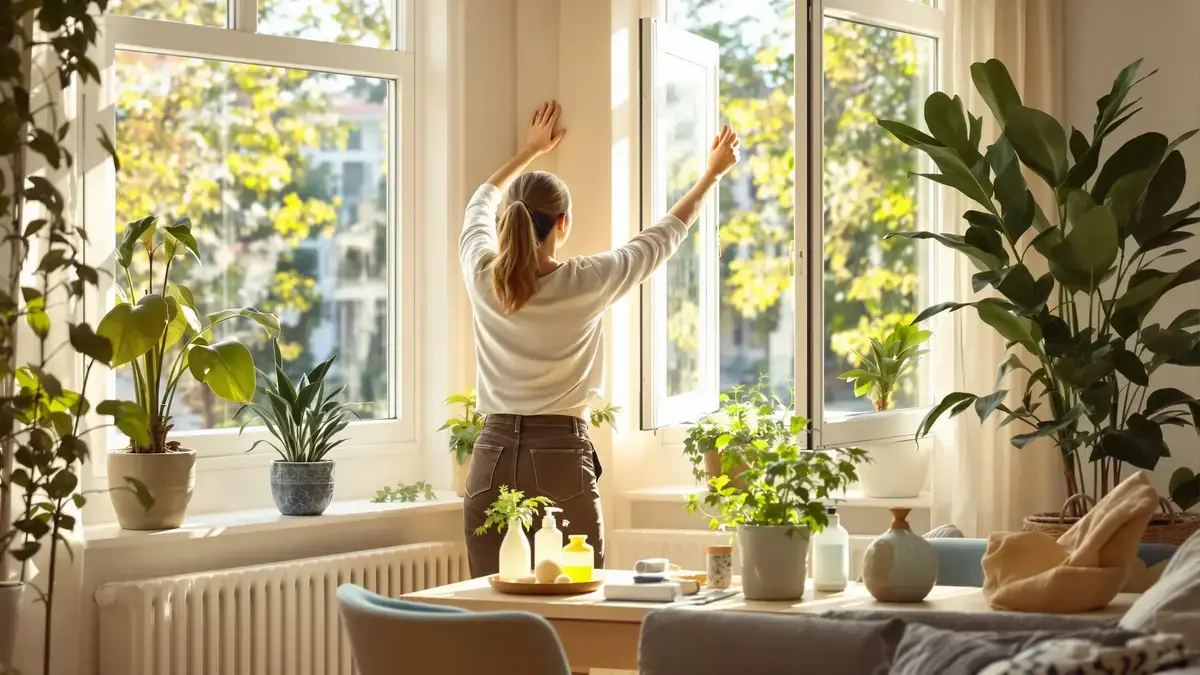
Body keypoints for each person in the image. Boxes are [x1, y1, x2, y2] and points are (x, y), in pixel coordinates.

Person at [459, 100, 741, 577]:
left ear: (511, 219)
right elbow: (663, 237)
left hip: (491, 454)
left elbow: (480, 201)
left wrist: (529, 152)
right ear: (563, 224)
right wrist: (710, 175)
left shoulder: (481, 273)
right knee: (577, 603)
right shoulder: (587, 280)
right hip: (560, 456)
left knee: (491, 607)